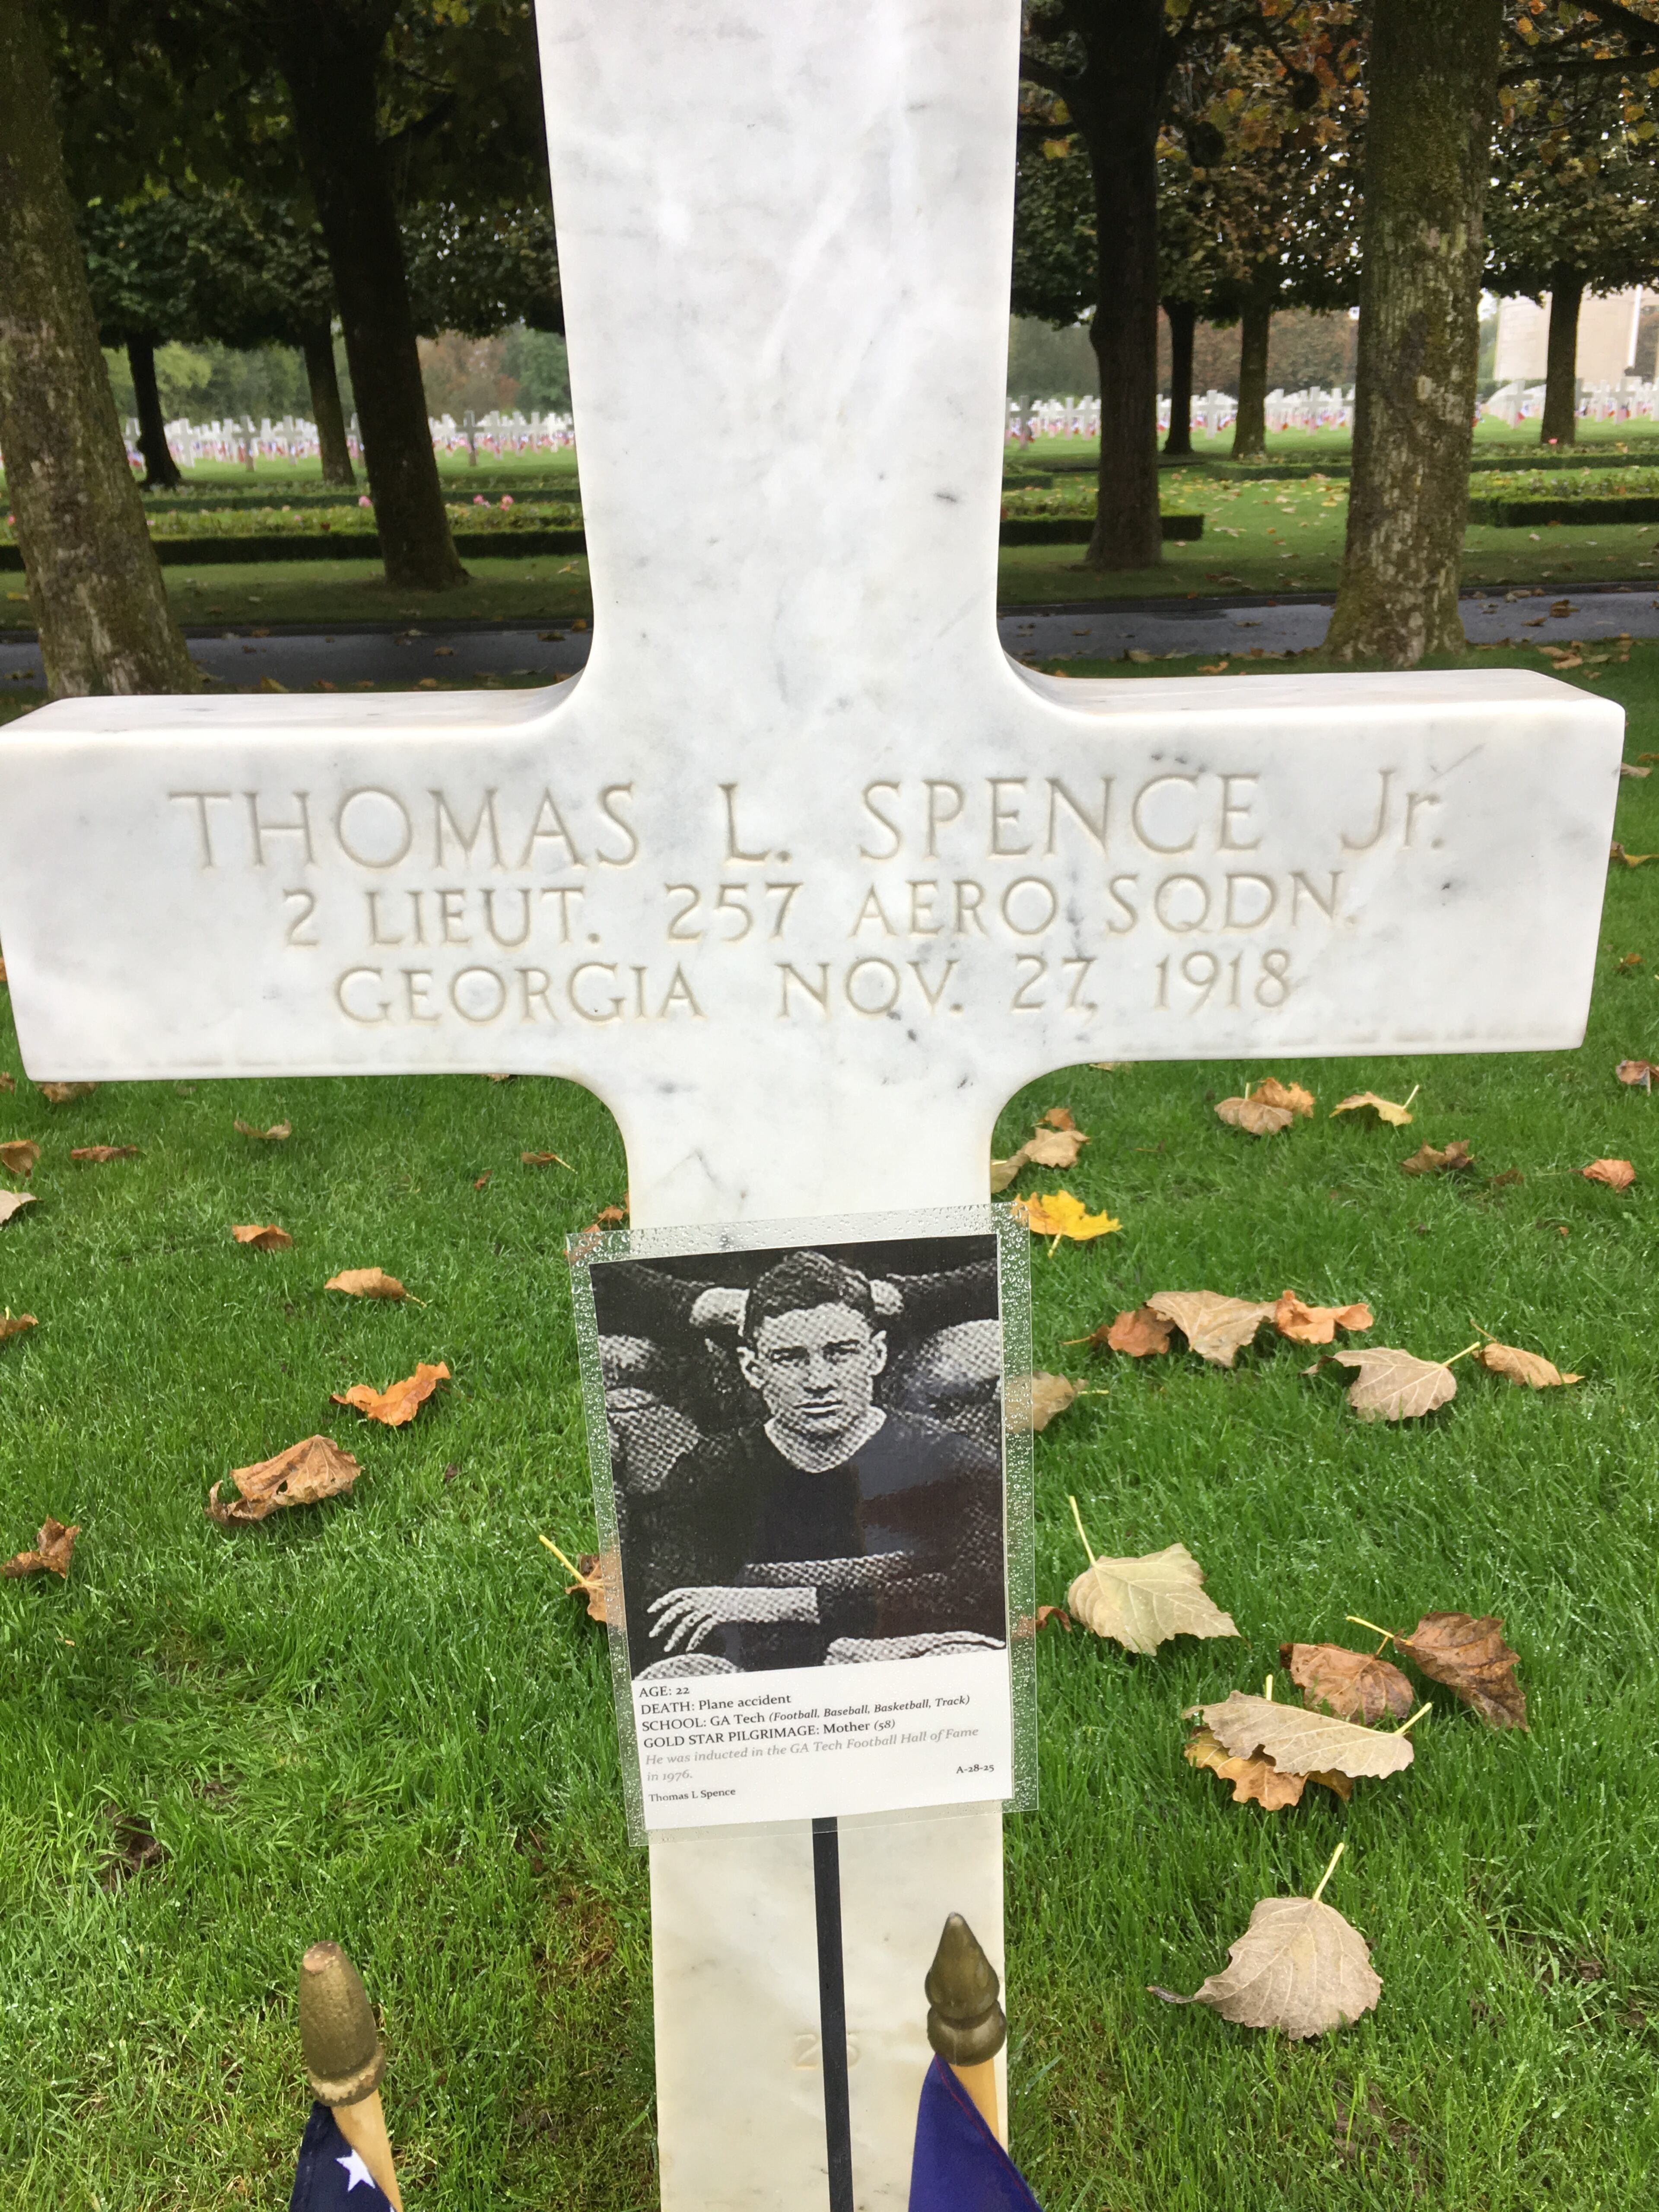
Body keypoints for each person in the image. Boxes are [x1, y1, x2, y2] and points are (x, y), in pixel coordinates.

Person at [627, 1250, 1005, 1672]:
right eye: (790, 1358)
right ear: (752, 1368)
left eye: (840, 1352)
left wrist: (782, 1604)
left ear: (876, 1355)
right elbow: (670, 1612)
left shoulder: (946, 1460)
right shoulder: (714, 1473)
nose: (819, 1381)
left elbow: (983, 1590)